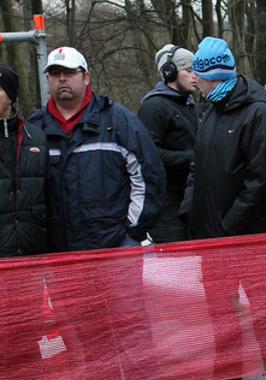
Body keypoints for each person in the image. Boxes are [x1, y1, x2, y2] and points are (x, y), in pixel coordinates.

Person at [28, 46, 165, 378]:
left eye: (70, 73)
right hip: (64, 256)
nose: (62, 80)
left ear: (85, 76)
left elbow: (148, 176)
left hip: (116, 250)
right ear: (47, 80)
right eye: (55, 74)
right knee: (84, 337)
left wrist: (131, 230)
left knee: (132, 331)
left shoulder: (117, 120)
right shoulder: (35, 129)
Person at [179, 36, 266, 380]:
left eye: (196, 72)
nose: (193, 79)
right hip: (210, 238)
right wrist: (190, 209)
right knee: (220, 320)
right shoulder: (209, 112)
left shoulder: (257, 113)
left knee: (265, 315)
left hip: (247, 240)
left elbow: (260, 182)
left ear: (210, 74)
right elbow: (196, 167)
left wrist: (227, 228)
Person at [0, 64, 49, 378]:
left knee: (30, 338)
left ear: (10, 95)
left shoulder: (35, 136)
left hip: (30, 258)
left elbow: (49, 192)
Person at [138, 44, 199, 243]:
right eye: (189, 70)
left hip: (190, 198)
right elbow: (148, 154)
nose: (195, 76)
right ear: (170, 72)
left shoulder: (190, 105)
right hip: (167, 205)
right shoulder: (153, 107)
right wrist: (192, 157)